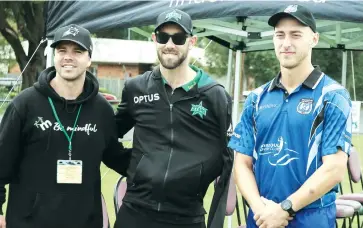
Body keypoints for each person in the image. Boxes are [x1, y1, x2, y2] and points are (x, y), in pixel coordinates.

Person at [229, 4, 352, 228]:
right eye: (280, 35)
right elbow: (241, 164)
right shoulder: (256, 98)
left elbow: (334, 169)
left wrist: (285, 208)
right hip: (262, 218)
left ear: (314, 39)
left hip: (311, 218)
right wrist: (261, 210)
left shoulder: (333, 96)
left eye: (296, 35)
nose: (286, 43)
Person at [0, 24, 130, 228]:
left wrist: (158, 160)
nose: (68, 57)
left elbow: (115, 156)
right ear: (54, 55)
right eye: (62, 50)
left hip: (84, 221)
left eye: (77, 51)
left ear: (89, 59)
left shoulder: (101, 109)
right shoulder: (25, 105)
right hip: (29, 222)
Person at [114, 8, 233, 228]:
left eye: (178, 38)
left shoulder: (214, 94)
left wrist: (196, 177)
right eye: (163, 37)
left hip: (187, 216)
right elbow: (108, 136)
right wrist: (138, 168)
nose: (170, 44)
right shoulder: (136, 88)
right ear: (154, 39)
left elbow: (228, 159)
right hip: (135, 211)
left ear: (192, 42)